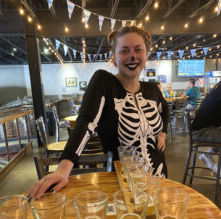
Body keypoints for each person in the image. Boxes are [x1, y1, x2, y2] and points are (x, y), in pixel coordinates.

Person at [29, 25, 169, 198]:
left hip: (160, 177)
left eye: (138, 50)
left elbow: (165, 109)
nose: (132, 56)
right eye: (124, 51)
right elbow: (86, 122)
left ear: (146, 54)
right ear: (114, 56)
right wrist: (63, 169)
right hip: (124, 184)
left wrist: (163, 133)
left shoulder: (152, 89)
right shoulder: (105, 82)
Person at [191, 81, 221, 175]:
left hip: (207, 128)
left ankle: (207, 155)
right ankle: (218, 169)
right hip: (201, 131)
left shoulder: (218, 88)